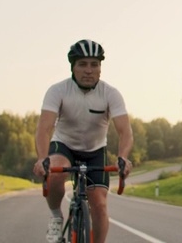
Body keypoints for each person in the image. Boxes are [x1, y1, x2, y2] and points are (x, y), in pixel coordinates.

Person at [33, 39, 134, 243]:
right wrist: (42, 158)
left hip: (95, 150)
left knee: (100, 204)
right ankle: (55, 217)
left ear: (100, 68)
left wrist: (123, 157)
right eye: (83, 64)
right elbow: (44, 128)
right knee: (54, 171)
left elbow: (125, 132)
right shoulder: (58, 90)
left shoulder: (110, 94)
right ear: (73, 67)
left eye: (94, 64)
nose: (89, 70)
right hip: (64, 146)